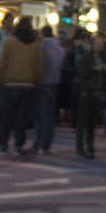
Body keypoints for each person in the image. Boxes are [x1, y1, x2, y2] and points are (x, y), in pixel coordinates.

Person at [0, 16, 43, 155]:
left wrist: (2, 78)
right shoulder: (35, 44)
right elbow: (39, 67)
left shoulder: (10, 42)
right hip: (28, 84)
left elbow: (2, 63)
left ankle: (3, 144)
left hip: (10, 83)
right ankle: (18, 145)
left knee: (7, 116)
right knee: (22, 117)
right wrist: (35, 81)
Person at [35, 23, 65, 154]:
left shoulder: (42, 47)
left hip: (43, 82)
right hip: (55, 82)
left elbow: (41, 64)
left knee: (42, 114)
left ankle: (40, 143)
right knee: (50, 114)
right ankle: (47, 144)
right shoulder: (59, 48)